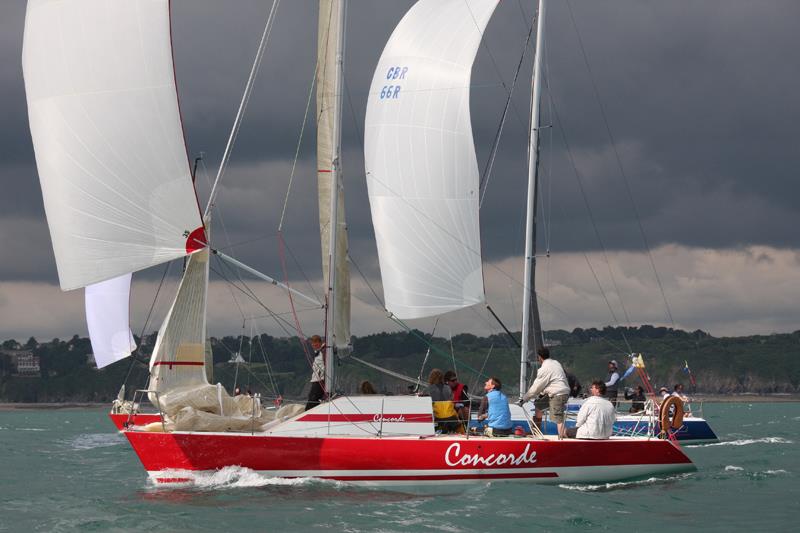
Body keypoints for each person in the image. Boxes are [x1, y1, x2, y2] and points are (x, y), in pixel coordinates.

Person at [522, 347, 570, 437]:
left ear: (539, 357)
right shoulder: (556, 363)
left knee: (557, 417)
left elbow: (536, 388)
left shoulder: (544, 369)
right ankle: (536, 432)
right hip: (562, 392)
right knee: (538, 406)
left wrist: (524, 399)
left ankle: (563, 437)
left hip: (558, 394)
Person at [428, 368, 460, 433]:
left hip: (437, 418)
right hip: (451, 418)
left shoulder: (429, 389)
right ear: (442, 377)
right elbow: (452, 400)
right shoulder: (448, 388)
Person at [305, 335, 326, 411]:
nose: (314, 345)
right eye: (313, 343)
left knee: (311, 403)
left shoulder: (324, 351)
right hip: (315, 380)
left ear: (320, 342)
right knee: (311, 398)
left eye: (316, 343)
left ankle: (310, 414)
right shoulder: (318, 352)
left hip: (320, 380)